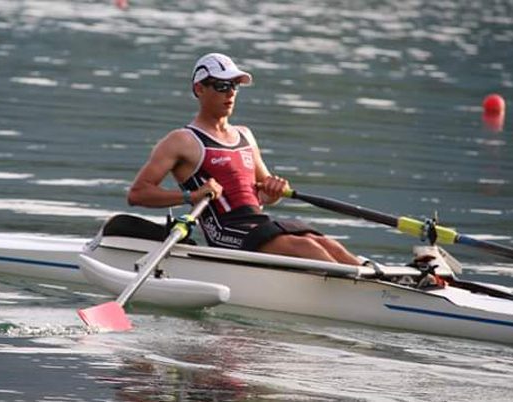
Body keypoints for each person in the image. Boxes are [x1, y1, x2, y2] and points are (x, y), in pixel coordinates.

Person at [127, 53, 360, 265]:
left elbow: (263, 194)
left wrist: (275, 190)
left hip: (258, 223)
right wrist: (191, 196)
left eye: (235, 86)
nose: (230, 92)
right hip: (224, 231)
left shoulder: (245, 135)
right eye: (222, 85)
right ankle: (352, 294)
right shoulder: (182, 140)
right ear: (199, 89)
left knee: (324, 242)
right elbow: (137, 193)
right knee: (304, 245)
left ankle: (375, 281)